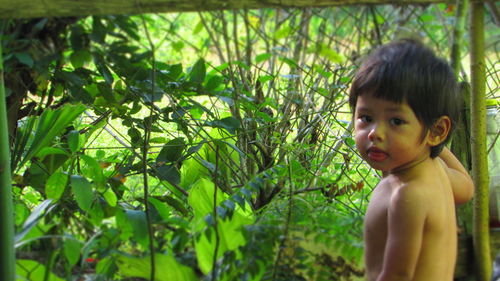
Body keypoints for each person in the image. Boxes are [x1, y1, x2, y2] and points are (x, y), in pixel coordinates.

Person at [349, 39, 474, 281]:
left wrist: (431, 137)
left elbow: (398, 275)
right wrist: (429, 141)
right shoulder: (434, 169)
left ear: (437, 130)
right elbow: (467, 189)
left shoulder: (408, 195)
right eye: (366, 117)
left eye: (395, 121)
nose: (376, 133)